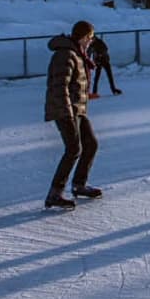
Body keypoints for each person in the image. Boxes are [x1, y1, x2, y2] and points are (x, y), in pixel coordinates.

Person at [44, 21, 100, 208]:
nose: (91, 42)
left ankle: (79, 185)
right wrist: (67, 113)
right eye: (90, 38)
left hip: (77, 110)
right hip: (65, 110)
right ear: (83, 37)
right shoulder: (66, 55)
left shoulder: (77, 54)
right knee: (73, 149)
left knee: (90, 144)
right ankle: (55, 194)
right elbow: (60, 86)